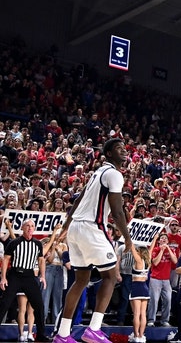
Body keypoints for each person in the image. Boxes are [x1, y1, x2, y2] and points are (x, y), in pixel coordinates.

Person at [54, 138, 133, 343]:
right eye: (118, 148)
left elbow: (79, 200)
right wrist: (128, 239)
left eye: (124, 148)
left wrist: (66, 226)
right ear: (108, 154)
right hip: (92, 227)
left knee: (81, 281)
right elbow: (116, 211)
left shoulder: (97, 173)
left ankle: (62, 334)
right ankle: (94, 329)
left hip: (77, 228)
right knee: (110, 276)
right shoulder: (114, 174)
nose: (123, 151)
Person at [0, 219, 51, 342]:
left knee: (38, 305)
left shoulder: (38, 244)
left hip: (29, 276)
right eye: (27, 225)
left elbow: (41, 260)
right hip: (15, 275)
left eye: (32, 226)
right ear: (22, 228)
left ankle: (40, 335)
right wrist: (3, 278)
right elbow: (6, 259)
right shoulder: (14, 242)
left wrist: (43, 276)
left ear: (34, 229)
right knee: (4, 304)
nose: (30, 228)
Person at [129, 244, 152, 343]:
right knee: (143, 314)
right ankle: (141, 336)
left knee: (136, 314)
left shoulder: (138, 261)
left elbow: (132, 249)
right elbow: (150, 251)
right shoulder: (148, 262)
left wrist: (129, 238)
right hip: (145, 288)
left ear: (140, 253)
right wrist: (155, 239)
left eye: (138, 251)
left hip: (136, 287)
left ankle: (136, 336)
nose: (136, 252)